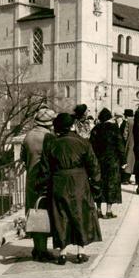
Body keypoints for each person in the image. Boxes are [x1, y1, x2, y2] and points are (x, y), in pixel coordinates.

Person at [38, 113, 102, 265]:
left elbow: (45, 169)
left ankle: (62, 253)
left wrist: (42, 187)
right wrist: (96, 186)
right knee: (80, 214)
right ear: (72, 125)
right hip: (79, 182)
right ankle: (81, 252)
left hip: (59, 182)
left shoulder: (51, 144)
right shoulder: (83, 142)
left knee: (60, 216)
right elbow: (94, 166)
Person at [20, 107, 57, 262]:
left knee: (34, 213)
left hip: (30, 179)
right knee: (44, 213)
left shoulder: (28, 136)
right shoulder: (48, 137)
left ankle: (37, 248)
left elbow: (23, 158)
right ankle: (42, 251)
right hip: (44, 179)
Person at [89, 108, 125, 218]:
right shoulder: (114, 128)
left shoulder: (96, 128)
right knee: (112, 184)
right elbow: (120, 145)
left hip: (99, 161)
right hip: (112, 161)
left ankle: (98, 210)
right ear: (109, 117)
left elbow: (91, 146)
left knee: (99, 184)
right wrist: (123, 160)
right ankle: (109, 211)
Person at [121, 109, 135, 184]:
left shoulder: (127, 122)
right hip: (135, 143)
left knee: (126, 160)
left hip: (129, 143)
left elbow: (125, 135)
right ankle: (128, 178)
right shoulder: (136, 121)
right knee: (132, 161)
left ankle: (125, 179)